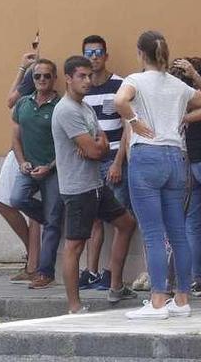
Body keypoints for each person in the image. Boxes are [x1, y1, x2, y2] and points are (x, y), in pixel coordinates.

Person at [116, 31, 201, 320]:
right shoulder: (178, 85)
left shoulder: (135, 81)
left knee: (153, 233)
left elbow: (120, 101)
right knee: (178, 231)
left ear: (141, 53)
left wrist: (134, 121)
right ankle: (182, 299)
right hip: (175, 158)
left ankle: (156, 302)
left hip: (146, 156)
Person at [53, 55, 137, 314]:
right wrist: (95, 145)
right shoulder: (66, 110)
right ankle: (74, 306)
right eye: (81, 76)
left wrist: (95, 145)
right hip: (78, 187)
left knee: (127, 223)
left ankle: (115, 285)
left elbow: (99, 143)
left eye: (89, 76)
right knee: (75, 245)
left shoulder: (85, 107)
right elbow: (96, 149)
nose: (87, 81)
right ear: (68, 78)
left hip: (96, 184)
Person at [79, 35, 133, 291]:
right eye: (89, 53)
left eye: (98, 52)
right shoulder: (83, 89)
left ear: (106, 55)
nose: (94, 57)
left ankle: (112, 277)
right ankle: (91, 272)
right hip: (90, 163)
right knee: (94, 220)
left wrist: (118, 163)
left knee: (119, 218)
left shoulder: (120, 85)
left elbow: (127, 129)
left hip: (113, 160)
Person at [9, 59, 63, 290]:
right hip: (29, 168)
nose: (41, 80)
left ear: (54, 79)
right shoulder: (22, 104)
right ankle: (56, 221)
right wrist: (22, 162)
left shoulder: (61, 106)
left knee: (50, 224)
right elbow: (15, 138)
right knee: (16, 199)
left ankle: (44, 272)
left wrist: (49, 167)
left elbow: (66, 145)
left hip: (53, 170)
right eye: (37, 76)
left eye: (46, 76)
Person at [0, 52, 41, 284]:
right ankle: (33, 256)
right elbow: (12, 103)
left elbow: (10, 100)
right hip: (17, 149)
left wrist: (22, 69)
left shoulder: (38, 72)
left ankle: (34, 263)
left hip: (34, 150)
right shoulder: (35, 72)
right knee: (2, 202)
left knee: (32, 210)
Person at [173, 57, 201, 296]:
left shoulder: (178, 98)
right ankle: (196, 277)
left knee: (192, 224)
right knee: (191, 224)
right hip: (191, 162)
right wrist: (194, 74)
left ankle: (196, 278)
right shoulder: (187, 97)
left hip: (189, 162)